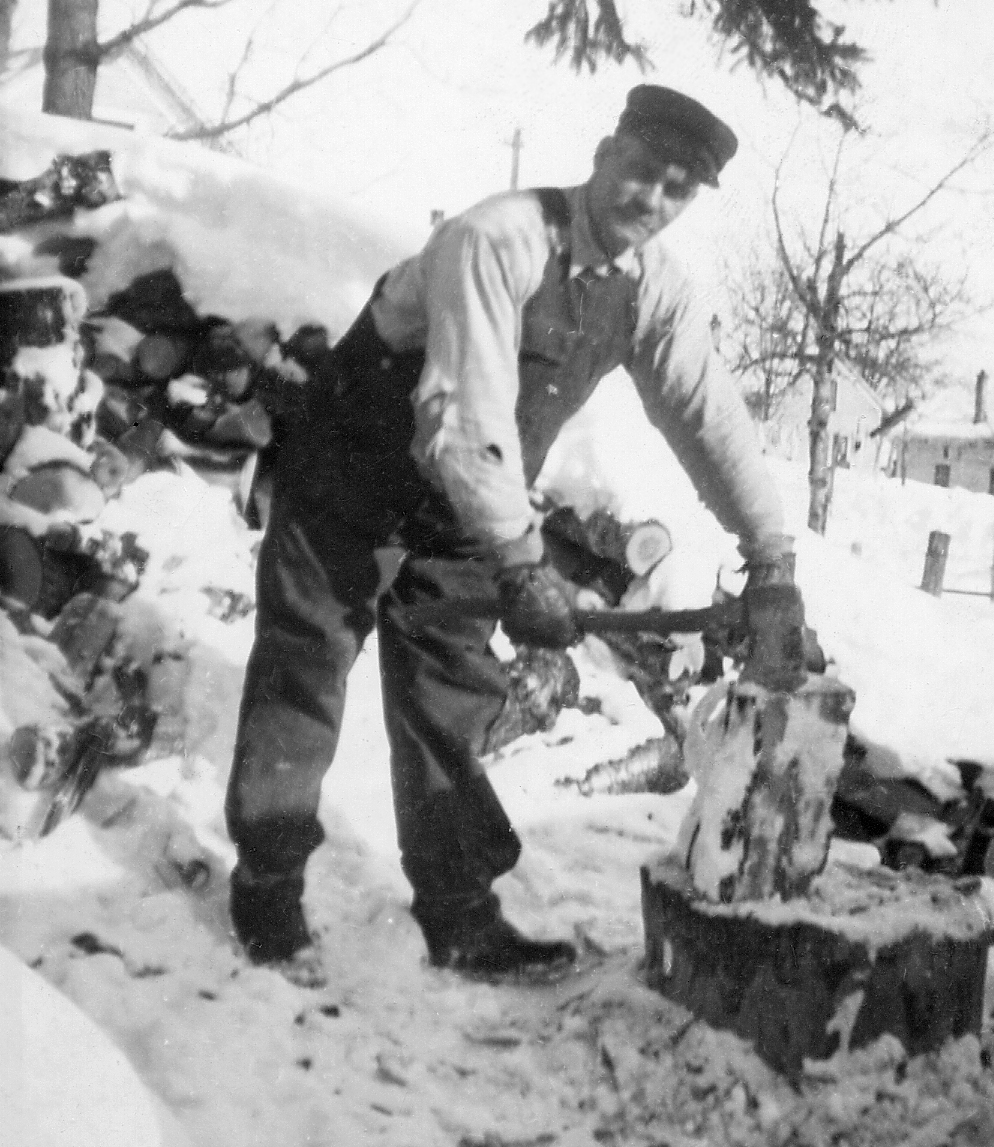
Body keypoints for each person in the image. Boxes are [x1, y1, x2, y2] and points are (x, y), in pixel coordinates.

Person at [224, 84, 788, 983]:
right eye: (641, 170)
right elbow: (464, 408)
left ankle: (459, 917)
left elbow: (707, 417)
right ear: (604, 155)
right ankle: (268, 891)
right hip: (353, 472)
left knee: (448, 701)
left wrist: (773, 556)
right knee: (304, 670)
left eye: (677, 189)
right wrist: (524, 564)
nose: (651, 199)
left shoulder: (654, 292)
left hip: (465, 504)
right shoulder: (499, 239)